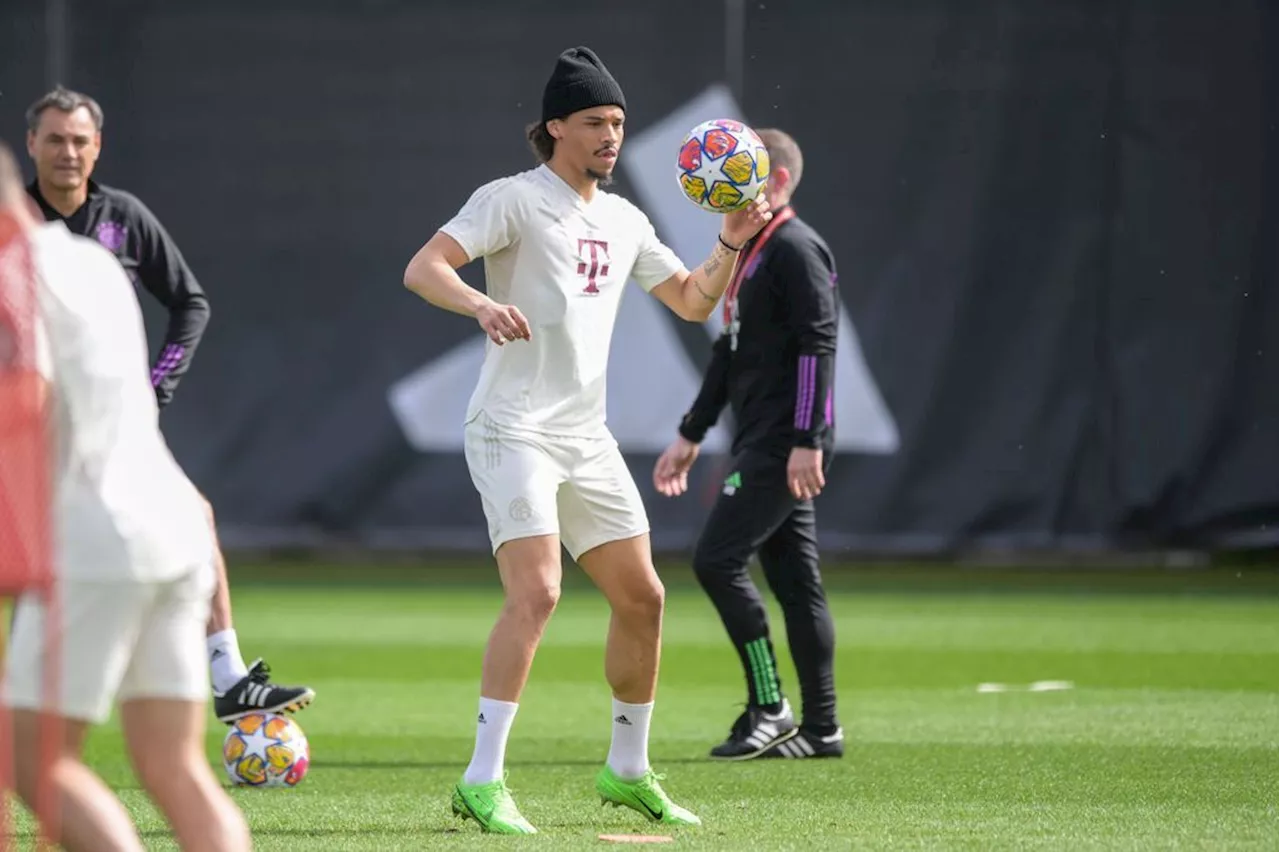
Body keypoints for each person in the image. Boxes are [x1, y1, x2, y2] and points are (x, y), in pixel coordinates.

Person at [404, 46, 771, 834]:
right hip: (512, 428)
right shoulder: (512, 199)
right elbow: (424, 267)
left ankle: (628, 770)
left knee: (644, 598)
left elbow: (691, 301)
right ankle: (481, 780)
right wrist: (478, 305)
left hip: (582, 434)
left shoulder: (625, 216)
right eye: (597, 122)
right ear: (554, 128)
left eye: (619, 123)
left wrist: (731, 241)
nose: (612, 135)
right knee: (536, 592)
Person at [23, 85, 314, 723]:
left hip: (111, 424)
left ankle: (229, 676)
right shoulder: (15, 222)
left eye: (79, 140)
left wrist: (157, 388)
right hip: (29, 426)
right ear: (31, 146)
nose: (67, 152)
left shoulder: (120, 218)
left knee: (194, 515)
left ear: (97, 147)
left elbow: (190, 303)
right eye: (55, 139)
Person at [0, 140, 251, 852]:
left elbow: (24, 402)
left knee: (34, 763)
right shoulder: (90, 262)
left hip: (92, 536)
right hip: (174, 527)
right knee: (174, 766)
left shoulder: (13, 275)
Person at [653, 128, 845, 761]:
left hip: (782, 444)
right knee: (796, 582)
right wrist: (691, 431)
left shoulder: (794, 248)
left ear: (777, 180)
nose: (728, 189)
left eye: (744, 174)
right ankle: (822, 730)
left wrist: (808, 439)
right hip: (760, 440)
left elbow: (819, 343)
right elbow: (728, 351)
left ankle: (769, 705)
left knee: (716, 560)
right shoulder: (751, 253)